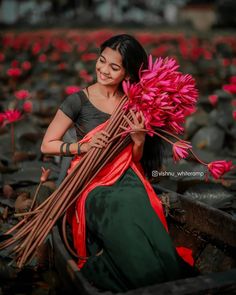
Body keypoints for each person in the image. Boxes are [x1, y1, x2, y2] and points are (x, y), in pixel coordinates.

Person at [41, 34, 197, 292]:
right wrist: (83, 146)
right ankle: (147, 277)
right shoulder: (77, 101)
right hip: (90, 183)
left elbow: (134, 159)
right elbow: (47, 144)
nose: (103, 70)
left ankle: (164, 271)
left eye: (114, 67)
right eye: (101, 61)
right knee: (120, 206)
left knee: (138, 201)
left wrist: (138, 140)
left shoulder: (133, 103)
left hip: (127, 177)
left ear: (127, 74)